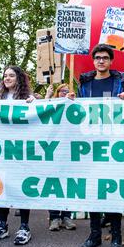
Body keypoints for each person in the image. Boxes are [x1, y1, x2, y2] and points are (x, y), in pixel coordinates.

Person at [78, 43, 124, 247]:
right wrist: (73, 102)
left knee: (113, 191)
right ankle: (94, 235)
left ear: (111, 61)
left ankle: (116, 236)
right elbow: (78, 114)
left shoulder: (120, 84)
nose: (101, 61)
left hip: (113, 145)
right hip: (91, 145)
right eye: (97, 57)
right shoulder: (85, 85)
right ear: (93, 61)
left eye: (105, 58)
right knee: (93, 191)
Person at [0, 66, 35, 245]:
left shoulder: (27, 98)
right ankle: (2, 224)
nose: (7, 78)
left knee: (23, 187)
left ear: (19, 78)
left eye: (11, 75)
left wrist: (34, 103)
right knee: (1, 185)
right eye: (5, 75)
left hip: (21, 152)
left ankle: (24, 226)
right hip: (2, 152)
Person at [44, 83, 76, 231]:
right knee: (53, 185)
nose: (65, 93)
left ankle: (67, 216)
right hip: (54, 152)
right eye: (62, 91)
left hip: (69, 153)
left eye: (67, 91)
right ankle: (54, 217)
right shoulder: (52, 106)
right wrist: (47, 97)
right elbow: (41, 114)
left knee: (69, 184)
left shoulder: (74, 106)